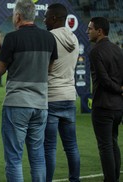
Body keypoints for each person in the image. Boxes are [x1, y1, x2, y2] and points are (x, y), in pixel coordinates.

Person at [0, 0, 58, 181]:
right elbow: (50, 70)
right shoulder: (49, 38)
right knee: (37, 157)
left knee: (14, 158)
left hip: (17, 103)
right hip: (40, 104)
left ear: (18, 16)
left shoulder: (12, 38)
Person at [43, 3, 81, 182]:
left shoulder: (49, 37)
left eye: (46, 17)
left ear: (54, 18)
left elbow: (46, 68)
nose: (44, 20)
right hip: (69, 96)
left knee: (49, 147)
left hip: (52, 96)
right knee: (71, 146)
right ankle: (75, 179)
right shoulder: (74, 38)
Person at [87, 17, 123, 182]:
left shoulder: (95, 51)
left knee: (105, 146)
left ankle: (110, 179)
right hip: (117, 107)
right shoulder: (118, 50)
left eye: (90, 28)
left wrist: (118, 88)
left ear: (99, 31)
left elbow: (103, 80)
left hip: (103, 106)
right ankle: (114, 177)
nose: (88, 31)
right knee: (113, 142)